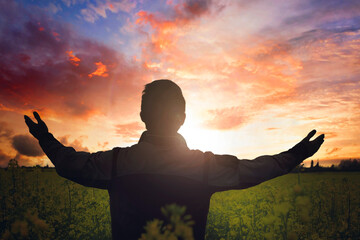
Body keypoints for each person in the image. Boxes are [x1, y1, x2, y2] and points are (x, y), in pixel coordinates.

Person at [24, 79, 325, 240]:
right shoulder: (205, 167)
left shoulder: (116, 164)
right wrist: (295, 155)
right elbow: (255, 169)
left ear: (142, 116)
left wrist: (45, 138)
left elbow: (68, 163)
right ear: (182, 119)